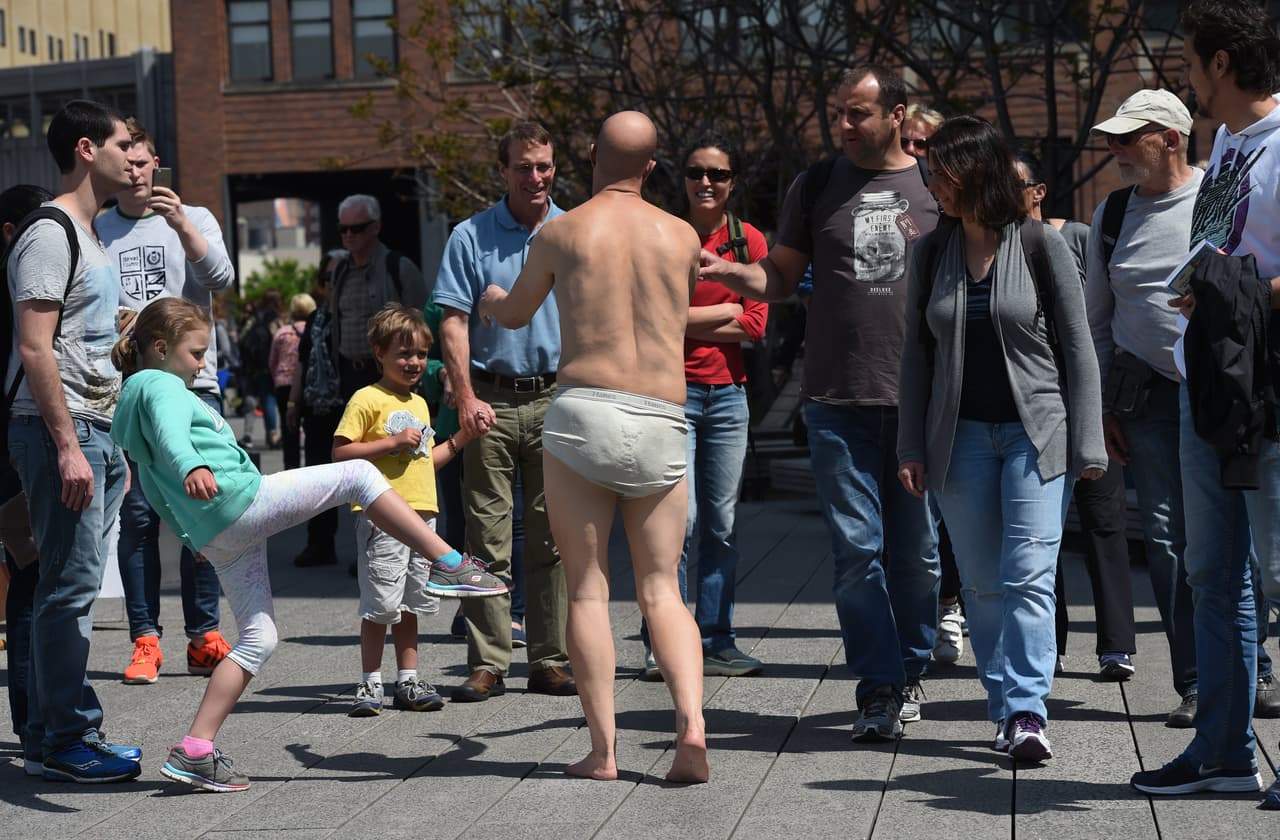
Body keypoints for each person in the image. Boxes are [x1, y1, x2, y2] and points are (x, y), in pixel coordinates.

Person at [109, 297, 505, 791]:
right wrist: (192, 465)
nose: (203, 364)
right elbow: (171, 439)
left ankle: (196, 749)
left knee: (260, 637)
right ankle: (447, 561)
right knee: (358, 473)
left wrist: (190, 536)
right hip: (240, 503)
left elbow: (149, 478)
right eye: (196, 354)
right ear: (162, 348)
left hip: (218, 536)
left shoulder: (136, 396)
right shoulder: (160, 383)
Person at [699, 64, 940, 741]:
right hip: (836, 399)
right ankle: (879, 686)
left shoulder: (933, 184)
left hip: (917, 401)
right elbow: (778, 277)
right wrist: (729, 273)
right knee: (857, 551)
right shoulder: (816, 185)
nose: (844, 125)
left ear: (897, 114)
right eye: (838, 112)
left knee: (916, 554)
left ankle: (913, 663)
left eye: (858, 113)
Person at [479, 109, 709, 783]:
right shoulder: (682, 235)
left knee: (586, 588)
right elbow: (672, 315)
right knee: (662, 588)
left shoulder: (562, 231)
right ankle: (691, 724)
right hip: (662, 412)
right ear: (653, 168)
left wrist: (492, 299)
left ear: (587, 155)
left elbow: (518, 312)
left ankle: (604, 754)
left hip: (584, 411)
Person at [897, 116, 1106, 762]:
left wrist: (1089, 442)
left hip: (1035, 436)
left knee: (1029, 572)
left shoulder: (1041, 245)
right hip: (956, 441)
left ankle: (1025, 709)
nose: (933, 184)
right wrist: (910, 444)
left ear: (978, 172)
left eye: (942, 171)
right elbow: (915, 358)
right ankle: (1002, 700)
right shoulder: (932, 252)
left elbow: (1078, 347)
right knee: (984, 584)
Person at [1131, 0, 1280, 802]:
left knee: (1277, 572)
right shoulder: (1226, 144)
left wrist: (1230, 292)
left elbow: (1244, 274)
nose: (1184, 75)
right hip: (1208, 385)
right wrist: (1198, 283)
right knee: (1214, 573)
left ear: (1222, 62)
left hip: (1268, 389)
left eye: (1189, 59)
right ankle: (1223, 751)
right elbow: (1218, 243)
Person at [6, 99, 142, 782]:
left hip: (99, 431)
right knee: (68, 587)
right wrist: (65, 445)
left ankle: (45, 733)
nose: (138, 158)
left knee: (67, 585)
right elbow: (35, 348)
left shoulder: (90, 237)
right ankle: (66, 738)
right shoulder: (50, 232)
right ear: (88, 149)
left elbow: (77, 341)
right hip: (64, 433)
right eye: (126, 145)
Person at [434, 121, 575, 702]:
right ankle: (488, 661)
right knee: (486, 538)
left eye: (543, 165)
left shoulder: (573, 230)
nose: (535, 177)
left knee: (554, 536)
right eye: (523, 166)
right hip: (488, 400)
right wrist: (465, 396)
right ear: (503, 171)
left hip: (556, 398)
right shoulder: (470, 236)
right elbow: (452, 319)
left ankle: (549, 659)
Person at [99, 116, 237, 685]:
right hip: (129, 392)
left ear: (158, 164)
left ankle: (204, 636)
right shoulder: (98, 227)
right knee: (136, 518)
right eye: (125, 161)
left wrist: (182, 224)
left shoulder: (195, 216)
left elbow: (222, 278)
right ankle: (145, 638)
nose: (136, 171)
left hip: (193, 387)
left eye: (144, 161)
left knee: (200, 510)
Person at [1083, 89, 1205, 727]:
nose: (1117, 151)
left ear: (1172, 139)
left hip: (1218, 393)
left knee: (1230, 536)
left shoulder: (1221, 199)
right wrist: (1103, 404)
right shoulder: (1112, 214)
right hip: (1145, 396)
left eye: (1130, 139)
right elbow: (1095, 319)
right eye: (1113, 139)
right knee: (1165, 538)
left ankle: (1255, 669)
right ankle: (1194, 682)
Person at [638, 132, 768, 680]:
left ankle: (716, 639)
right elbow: (648, 318)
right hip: (671, 395)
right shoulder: (663, 235)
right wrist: (722, 317)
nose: (706, 183)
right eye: (696, 173)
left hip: (729, 399)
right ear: (682, 179)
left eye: (717, 174)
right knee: (679, 522)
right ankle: (662, 641)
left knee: (721, 523)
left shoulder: (749, 240)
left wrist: (683, 319)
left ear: (732, 181)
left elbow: (757, 325)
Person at [334, 304, 499, 716]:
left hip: (423, 517)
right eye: (403, 354)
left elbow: (426, 459)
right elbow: (340, 454)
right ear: (379, 354)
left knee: (411, 603)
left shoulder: (421, 404)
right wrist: (390, 443)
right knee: (380, 603)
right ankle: (369, 682)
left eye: (421, 355)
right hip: (383, 518)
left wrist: (463, 436)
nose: (413, 363)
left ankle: (407, 679)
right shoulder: (367, 398)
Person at [1014, 154, 1138, 683]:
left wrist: (1106, 400)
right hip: (1035, 411)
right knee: (1045, 534)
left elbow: (1101, 321)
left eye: (1012, 184)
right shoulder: (997, 250)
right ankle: (1052, 643)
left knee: (1104, 522)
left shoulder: (1080, 237)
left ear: (1038, 191)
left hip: (1089, 403)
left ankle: (1116, 647)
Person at [293, 197, 426, 568]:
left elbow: (422, 323)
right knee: (350, 463)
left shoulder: (398, 267)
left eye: (357, 229)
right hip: (348, 376)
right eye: (343, 229)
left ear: (375, 227)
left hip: (389, 377)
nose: (349, 236)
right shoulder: (341, 271)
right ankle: (354, 543)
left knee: (391, 463)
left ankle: (392, 546)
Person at [0, 183, 54, 754]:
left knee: (29, 578)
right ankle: (39, 726)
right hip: (16, 453)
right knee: (38, 578)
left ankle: (32, 722)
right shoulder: (18, 285)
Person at [269, 293, 315, 470]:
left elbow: (272, 361)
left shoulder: (283, 333)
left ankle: (291, 468)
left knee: (289, 431)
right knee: (311, 429)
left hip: (284, 385)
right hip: (308, 384)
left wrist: (278, 378)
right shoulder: (314, 331)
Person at [237, 288, 282, 448]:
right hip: (266, 368)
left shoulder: (254, 318)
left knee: (250, 401)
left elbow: (241, 340)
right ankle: (272, 435)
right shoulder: (274, 319)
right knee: (268, 400)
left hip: (249, 368)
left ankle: (248, 435)